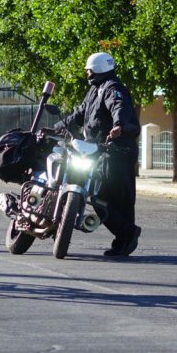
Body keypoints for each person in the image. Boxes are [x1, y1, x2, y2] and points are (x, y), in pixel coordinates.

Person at [53, 52, 142, 257]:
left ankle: (127, 235)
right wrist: (55, 128)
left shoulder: (112, 88)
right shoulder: (95, 90)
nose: (87, 73)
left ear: (98, 69)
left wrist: (119, 125)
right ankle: (124, 238)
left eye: (89, 70)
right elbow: (79, 114)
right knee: (100, 197)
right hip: (98, 151)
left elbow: (119, 106)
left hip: (117, 152)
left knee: (112, 198)